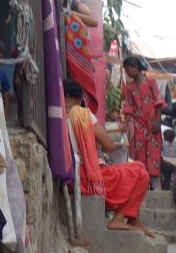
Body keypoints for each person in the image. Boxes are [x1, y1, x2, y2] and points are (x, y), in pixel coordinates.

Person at [65, 78, 152, 231]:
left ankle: (132, 220)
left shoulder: (57, 115)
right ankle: (118, 220)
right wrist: (118, 144)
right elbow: (108, 145)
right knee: (141, 171)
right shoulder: (82, 114)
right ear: (79, 99)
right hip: (88, 177)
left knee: (136, 170)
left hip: (72, 176)